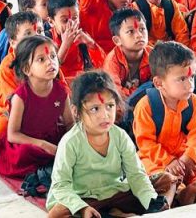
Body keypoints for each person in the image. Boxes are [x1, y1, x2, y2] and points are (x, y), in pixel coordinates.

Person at [46, 71, 165, 217]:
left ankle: (114, 212)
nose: (105, 115)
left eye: (110, 106)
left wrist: (152, 203)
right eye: (95, 109)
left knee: (165, 181)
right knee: (57, 214)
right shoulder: (70, 142)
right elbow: (60, 186)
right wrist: (82, 208)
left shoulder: (120, 136)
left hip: (113, 192)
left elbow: (136, 175)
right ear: (76, 111)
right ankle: (115, 214)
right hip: (83, 198)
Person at [133, 41, 196, 207]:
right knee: (158, 176)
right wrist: (168, 161)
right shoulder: (146, 106)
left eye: (192, 77)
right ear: (159, 83)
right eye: (182, 79)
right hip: (157, 158)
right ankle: (182, 191)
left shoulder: (193, 101)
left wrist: (189, 157)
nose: (190, 85)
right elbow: (145, 142)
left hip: (184, 156)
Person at [0, 35, 71, 178]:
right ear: (27, 69)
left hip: (52, 137)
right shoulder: (21, 96)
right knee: (24, 153)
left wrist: (73, 142)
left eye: (53, 56)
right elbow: (13, 135)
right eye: (41, 59)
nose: (50, 62)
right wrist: (43, 145)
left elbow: (70, 123)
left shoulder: (61, 91)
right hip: (27, 141)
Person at [0, 11, 46, 139]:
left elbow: (63, 88)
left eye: (40, 31)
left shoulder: (48, 59)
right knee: (2, 126)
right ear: (13, 42)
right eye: (28, 34)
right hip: (18, 111)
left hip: (48, 107)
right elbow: (13, 101)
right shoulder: (8, 67)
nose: (37, 38)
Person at [48, 0, 105, 81]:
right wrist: (65, 45)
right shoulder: (46, 40)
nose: (71, 24)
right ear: (51, 21)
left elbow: (104, 66)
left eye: (75, 18)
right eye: (65, 20)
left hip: (83, 83)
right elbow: (48, 73)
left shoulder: (83, 37)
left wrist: (91, 44)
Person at [102, 8, 153, 99]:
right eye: (131, 31)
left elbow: (163, 84)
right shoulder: (111, 62)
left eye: (142, 29)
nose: (139, 35)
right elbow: (116, 95)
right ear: (117, 40)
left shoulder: (153, 55)